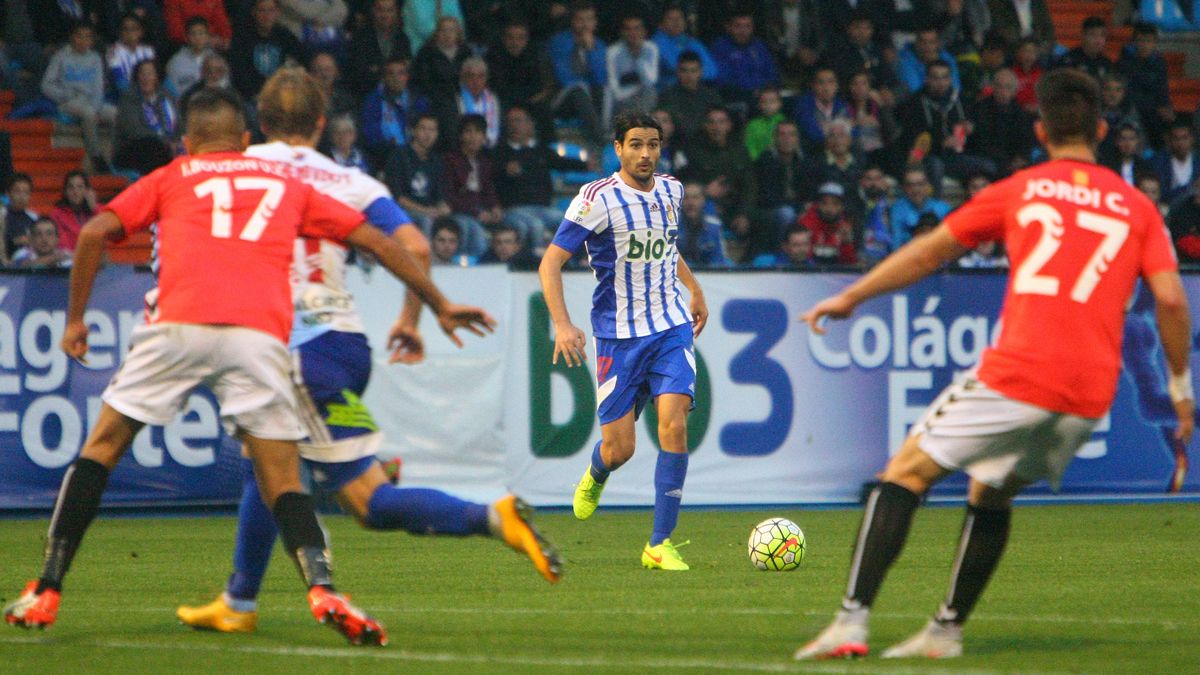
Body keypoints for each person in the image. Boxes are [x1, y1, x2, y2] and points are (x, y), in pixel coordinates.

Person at [0, 86, 483, 644]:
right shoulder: (287, 184)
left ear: (186, 141)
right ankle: (323, 588)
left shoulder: (173, 175)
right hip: (257, 337)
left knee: (102, 449)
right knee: (281, 476)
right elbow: (378, 241)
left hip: (177, 323)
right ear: (246, 141)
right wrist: (440, 303)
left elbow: (92, 233)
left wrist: (76, 321)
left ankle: (47, 588)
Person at [795, 68, 1193, 660]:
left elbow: (931, 253)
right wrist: (1180, 388)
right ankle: (945, 632)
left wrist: (852, 295)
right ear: (1103, 130)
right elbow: (1170, 299)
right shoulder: (1137, 207)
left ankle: (851, 624)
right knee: (991, 489)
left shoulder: (1023, 188)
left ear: (1040, 129)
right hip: (1088, 395)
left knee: (903, 473)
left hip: (1021, 371)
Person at [174, 71, 559, 635]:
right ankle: (239, 602)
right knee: (272, 469)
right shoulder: (350, 181)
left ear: (259, 122)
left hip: (289, 343)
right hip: (343, 345)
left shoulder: (242, 169)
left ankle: (489, 518)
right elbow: (416, 245)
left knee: (362, 499)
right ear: (322, 123)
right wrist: (410, 320)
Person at [539, 110, 708, 571]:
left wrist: (693, 289)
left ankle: (658, 543)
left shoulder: (672, 190)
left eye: (653, 144)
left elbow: (668, 248)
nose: (646, 154)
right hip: (619, 338)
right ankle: (598, 470)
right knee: (621, 450)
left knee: (674, 425)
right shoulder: (596, 199)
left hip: (670, 328)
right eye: (636, 144)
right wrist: (562, 323)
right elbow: (550, 263)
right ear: (617, 148)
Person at [41, 21, 117, 174]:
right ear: (72, 37)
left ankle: (117, 156)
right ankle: (96, 156)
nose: (83, 41)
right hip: (69, 101)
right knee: (88, 113)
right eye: (79, 36)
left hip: (91, 101)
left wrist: (96, 107)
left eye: (87, 37)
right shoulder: (61, 56)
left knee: (116, 114)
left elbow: (98, 87)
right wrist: (65, 95)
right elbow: (46, 85)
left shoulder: (95, 58)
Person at [383, 113, 451, 235]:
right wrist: (425, 211)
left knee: (458, 223)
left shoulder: (436, 161)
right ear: (413, 131)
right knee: (425, 221)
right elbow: (398, 197)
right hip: (403, 210)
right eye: (423, 129)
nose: (428, 134)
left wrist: (443, 208)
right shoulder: (399, 155)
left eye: (432, 130)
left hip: (429, 210)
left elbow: (440, 196)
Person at [360, 56, 431, 169]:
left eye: (400, 73)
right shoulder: (373, 101)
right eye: (391, 73)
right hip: (385, 159)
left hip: (416, 157)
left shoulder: (419, 101)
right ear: (384, 77)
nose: (396, 78)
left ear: (407, 77)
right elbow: (370, 133)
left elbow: (427, 129)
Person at [114, 59, 180, 175]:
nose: (145, 78)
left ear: (157, 77)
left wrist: (177, 141)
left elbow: (180, 125)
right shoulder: (129, 97)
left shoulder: (167, 97)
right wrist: (165, 142)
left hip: (166, 147)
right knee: (152, 145)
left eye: (150, 73)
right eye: (142, 74)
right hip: (133, 149)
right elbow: (133, 130)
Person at [165, 16, 215, 97]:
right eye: (193, 34)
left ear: (208, 36)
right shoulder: (175, 62)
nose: (197, 38)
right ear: (186, 37)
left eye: (201, 33)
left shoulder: (217, 60)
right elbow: (172, 92)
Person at [50, 170, 98, 251]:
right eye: (71, 187)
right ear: (65, 192)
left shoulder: (98, 210)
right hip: (69, 258)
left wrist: (94, 210)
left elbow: (105, 235)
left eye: (80, 187)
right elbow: (62, 244)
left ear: (87, 190)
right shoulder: (57, 214)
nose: (75, 192)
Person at [2, 173, 38, 260]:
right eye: (17, 191)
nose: (22, 197)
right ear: (8, 193)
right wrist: (14, 242)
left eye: (26, 192)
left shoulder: (34, 218)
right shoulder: (1, 215)